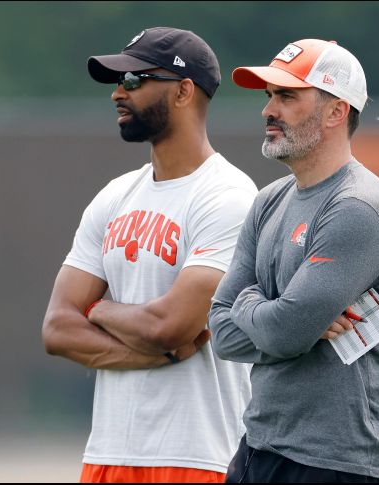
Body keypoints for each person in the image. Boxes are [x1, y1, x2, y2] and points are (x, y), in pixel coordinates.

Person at [42, 27, 257, 483]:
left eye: (135, 80)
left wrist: (97, 308)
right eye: (118, 82)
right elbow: (58, 328)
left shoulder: (229, 196)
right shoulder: (115, 195)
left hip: (197, 458)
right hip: (106, 454)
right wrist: (149, 357)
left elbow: (171, 327)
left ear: (183, 91)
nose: (118, 93)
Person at [209, 39, 379, 483]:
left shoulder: (359, 206)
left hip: (334, 463)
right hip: (258, 449)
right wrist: (273, 313)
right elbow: (221, 331)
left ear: (336, 111)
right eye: (269, 96)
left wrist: (260, 308)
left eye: (287, 96)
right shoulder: (268, 201)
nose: (268, 110)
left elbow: (286, 332)